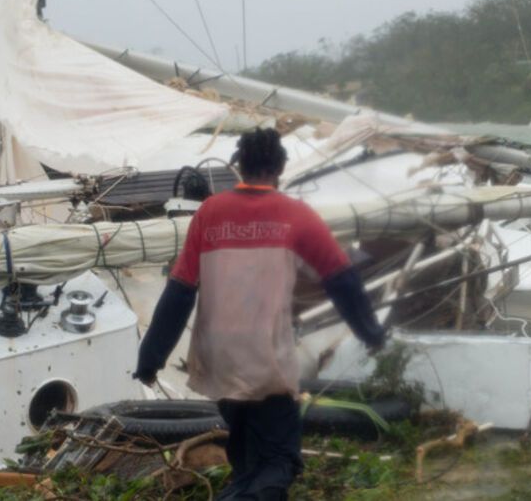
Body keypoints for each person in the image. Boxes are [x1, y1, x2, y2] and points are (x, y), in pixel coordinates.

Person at [134, 128, 386, 500]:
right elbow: (342, 280)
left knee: (249, 453)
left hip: (218, 357)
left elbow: (179, 292)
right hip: (266, 357)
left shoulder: (210, 212)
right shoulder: (294, 215)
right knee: (279, 462)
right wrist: (371, 334)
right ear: (280, 167)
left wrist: (150, 358)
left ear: (240, 166)